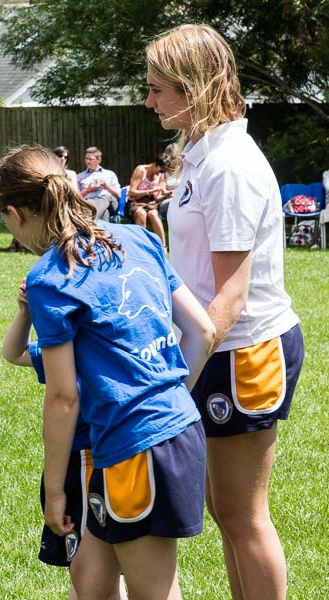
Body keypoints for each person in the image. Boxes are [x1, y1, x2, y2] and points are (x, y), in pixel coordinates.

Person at [0, 145, 215, 598]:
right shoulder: (139, 238)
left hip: (135, 448)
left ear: (15, 213)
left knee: (153, 591)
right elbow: (204, 332)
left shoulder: (49, 277)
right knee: (91, 577)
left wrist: (55, 491)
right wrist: (168, 399)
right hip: (175, 434)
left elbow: (63, 397)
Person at [146, 24, 305, 600]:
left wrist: (176, 378)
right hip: (220, 344)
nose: (149, 99)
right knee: (226, 510)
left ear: (194, 87)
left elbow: (232, 294)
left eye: (159, 87)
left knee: (243, 515)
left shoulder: (230, 163)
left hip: (244, 349)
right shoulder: (203, 153)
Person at [2, 280, 124, 599]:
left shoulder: (91, 347)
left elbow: (66, 400)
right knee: (84, 568)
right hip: (69, 462)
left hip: (87, 461)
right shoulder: (62, 347)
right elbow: (12, 352)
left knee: (92, 568)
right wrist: (25, 314)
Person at [127, 154, 169, 249]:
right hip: (135, 202)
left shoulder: (160, 175)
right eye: (161, 170)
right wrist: (150, 191)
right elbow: (131, 193)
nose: (161, 173)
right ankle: (142, 244)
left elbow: (157, 198)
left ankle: (163, 246)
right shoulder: (141, 170)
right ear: (155, 164)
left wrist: (165, 195)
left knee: (153, 214)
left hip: (150, 203)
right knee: (141, 213)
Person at [77, 147, 121, 221]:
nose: (87, 161)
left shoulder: (109, 174)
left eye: (90, 159)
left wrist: (106, 186)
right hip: (89, 204)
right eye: (86, 159)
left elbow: (119, 195)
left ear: (99, 160)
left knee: (105, 196)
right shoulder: (80, 176)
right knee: (105, 212)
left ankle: (91, 219)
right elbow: (77, 197)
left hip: (110, 204)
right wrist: (88, 190)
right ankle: (101, 230)